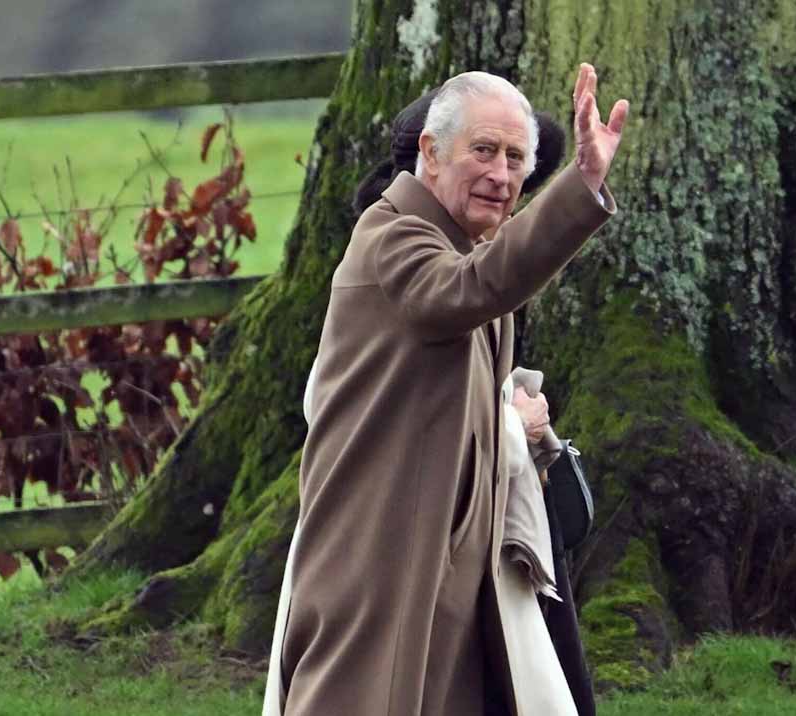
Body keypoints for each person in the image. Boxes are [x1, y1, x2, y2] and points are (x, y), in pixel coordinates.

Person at [266, 64, 628, 716]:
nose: (502, 174)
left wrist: (515, 427)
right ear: (430, 154)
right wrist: (580, 187)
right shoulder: (392, 235)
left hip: (444, 557)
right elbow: (467, 291)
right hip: (378, 557)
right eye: (483, 150)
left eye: (516, 159)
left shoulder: (457, 244)